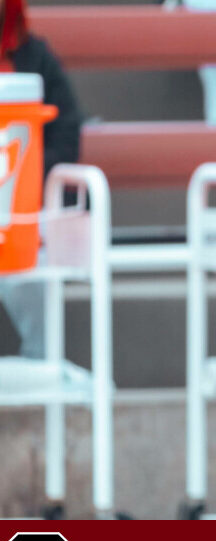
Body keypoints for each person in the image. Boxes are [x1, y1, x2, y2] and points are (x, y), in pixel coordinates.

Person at [0, 0, 82, 359]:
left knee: (31, 267)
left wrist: (26, 171)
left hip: (22, 210)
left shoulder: (36, 57)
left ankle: (42, 370)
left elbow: (66, 136)